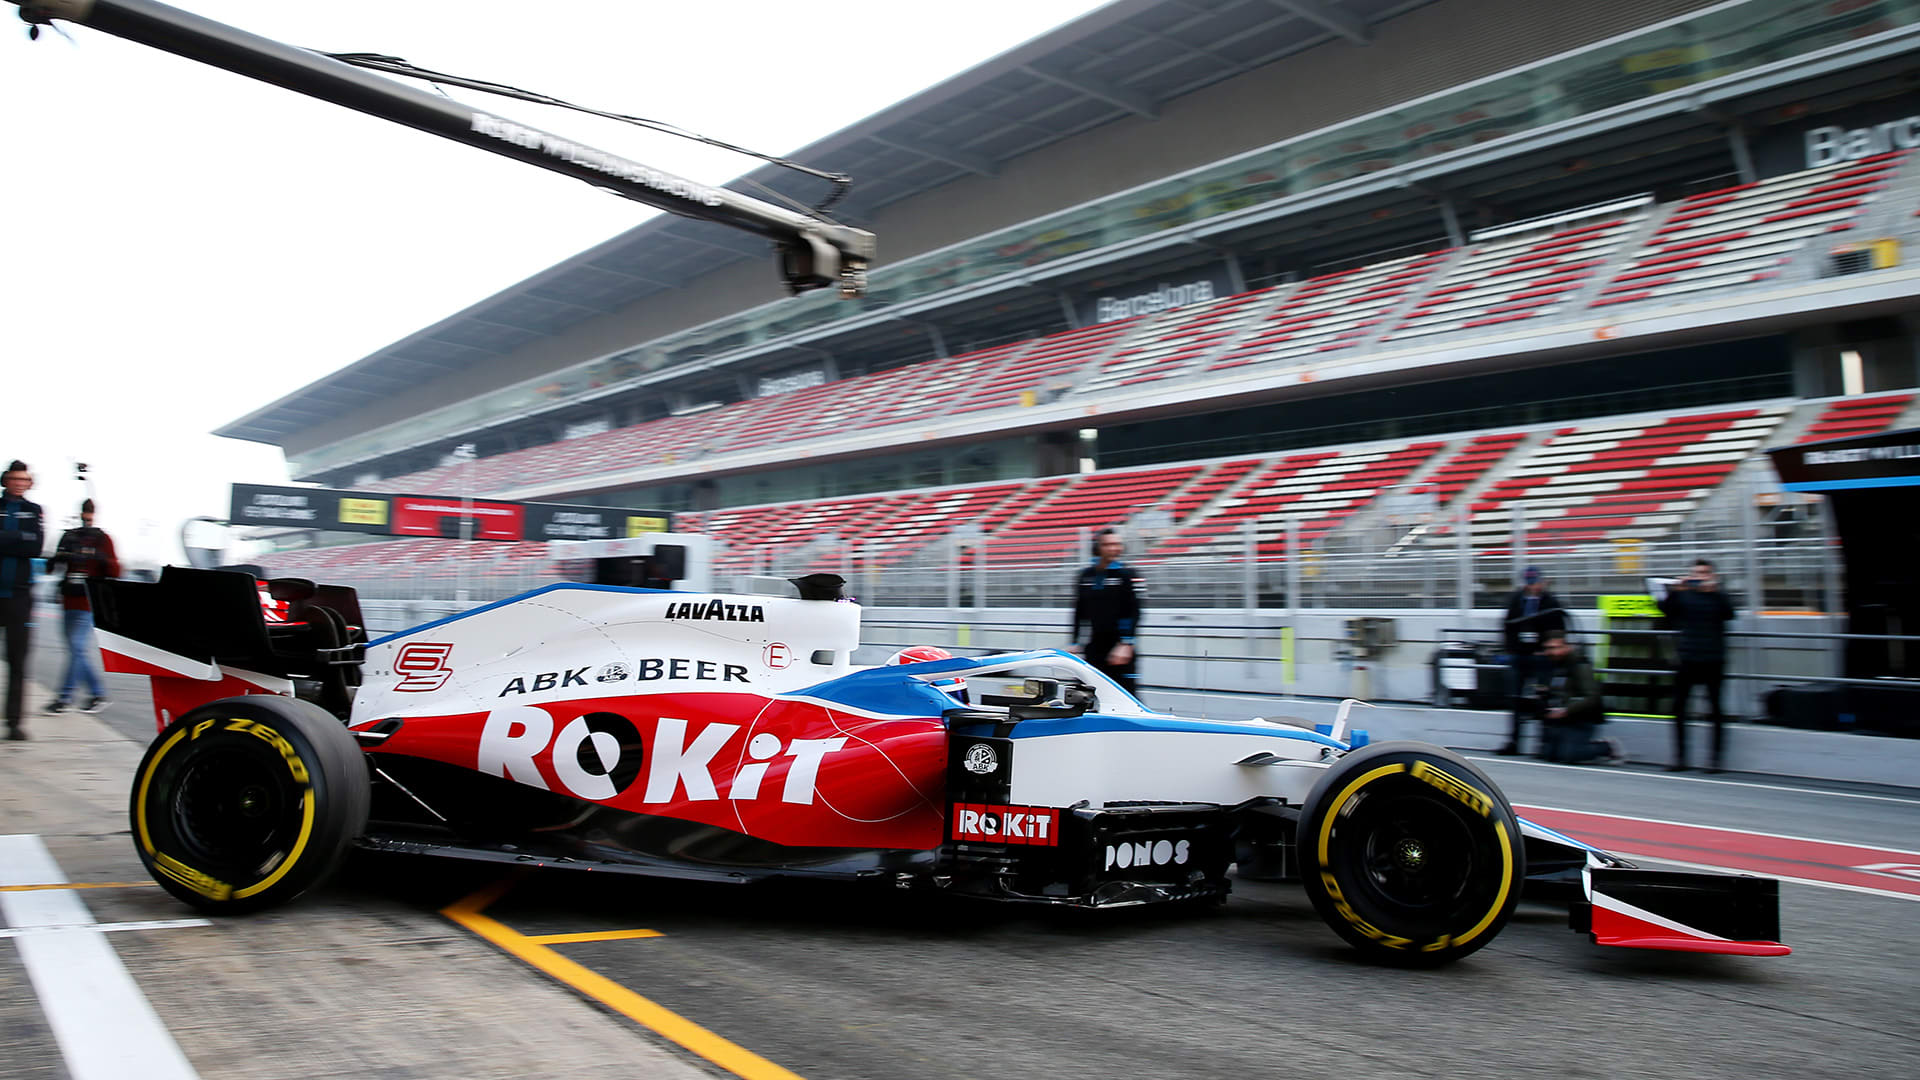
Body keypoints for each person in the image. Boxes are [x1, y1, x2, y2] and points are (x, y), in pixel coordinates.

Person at [1659, 558, 1736, 773]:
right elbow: (1665, 612)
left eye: (1705, 573)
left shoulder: (1719, 595)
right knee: (1679, 708)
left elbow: (1730, 614)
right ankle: (1680, 758)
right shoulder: (1683, 595)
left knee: (1715, 709)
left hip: (1713, 658)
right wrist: (1676, 590)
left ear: (1713, 575)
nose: (1700, 577)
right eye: (1696, 573)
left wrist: (1716, 592)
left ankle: (1715, 760)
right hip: (1687, 658)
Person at [46, 498, 120, 715]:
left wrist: (100, 557)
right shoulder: (70, 537)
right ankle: (97, 694)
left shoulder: (102, 539)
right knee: (75, 651)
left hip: (88, 601)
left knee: (77, 648)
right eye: (85, 513)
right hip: (69, 599)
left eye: (90, 513)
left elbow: (115, 571)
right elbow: (52, 568)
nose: (87, 517)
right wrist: (60, 555)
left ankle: (64, 697)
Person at [1498, 566, 1568, 755]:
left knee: (1542, 698)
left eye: (1535, 583)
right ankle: (1514, 741)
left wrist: (1546, 649)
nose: (1533, 587)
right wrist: (1511, 649)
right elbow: (1507, 627)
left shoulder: (1550, 602)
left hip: (1542, 658)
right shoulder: (1516, 599)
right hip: (1519, 656)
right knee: (1515, 699)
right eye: (1530, 583)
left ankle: (1544, 743)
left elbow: (1558, 629)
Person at [1, 461, 46, 741]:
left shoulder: (34, 510)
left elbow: (36, 547)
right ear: (5, 480)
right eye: (15, 478)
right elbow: (25, 542)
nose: (20, 483)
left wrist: (8, 537)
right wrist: (19, 537)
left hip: (19, 596)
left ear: (29, 483)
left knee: (18, 662)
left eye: (25, 479)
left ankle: (14, 722)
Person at [1071, 529, 1144, 696]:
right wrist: (1075, 642)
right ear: (1097, 548)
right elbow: (1079, 611)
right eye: (1108, 544)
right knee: (1086, 696)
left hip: (1121, 648)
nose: (1113, 548)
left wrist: (1126, 643)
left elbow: (1134, 611)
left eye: (1117, 544)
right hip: (1095, 647)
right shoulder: (1085, 576)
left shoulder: (1129, 574)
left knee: (1126, 696)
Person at [1534, 630, 1623, 765]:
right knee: (1549, 754)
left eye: (1554, 648)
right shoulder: (1553, 665)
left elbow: (1592, 697)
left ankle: (1607, 748)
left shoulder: (1580, 665)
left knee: (1569, 755)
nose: (1550, 652)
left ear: (1567, 646)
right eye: (1547, 648)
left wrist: (1566, 710)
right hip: (1561, 719)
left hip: (1581, 718)